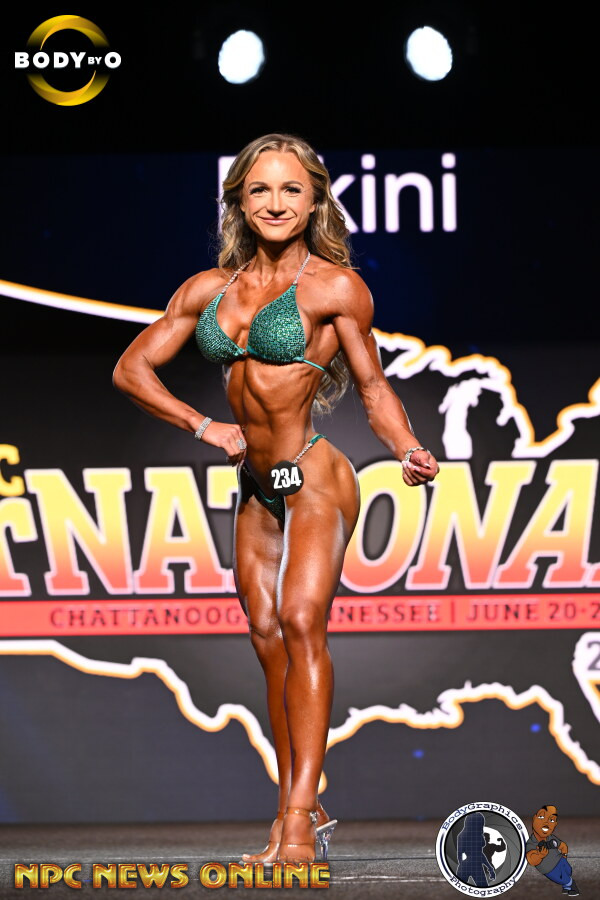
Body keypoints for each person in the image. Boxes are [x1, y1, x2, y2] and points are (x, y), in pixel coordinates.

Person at [112, 132, 440, 865]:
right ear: (238, 200)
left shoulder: (335, 288)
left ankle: (294, 824)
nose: (276, 203)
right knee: (266, 639)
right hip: (258, 489)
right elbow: (131, 370)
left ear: (315, 199)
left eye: (292, 189)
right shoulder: (208, 290)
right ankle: (302, 796)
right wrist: (203, 426)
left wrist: (406, 448)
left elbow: (373, 387)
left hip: (315, 475)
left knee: (299, 622)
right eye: (260, 189)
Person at [526, 805, 579, 896]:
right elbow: (531, 860)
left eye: (551, 820)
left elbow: (562, 845)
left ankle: (566, 887)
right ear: (534, 818)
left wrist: (564, 856)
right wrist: (540, 855)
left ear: (555, 824)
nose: (546, 822)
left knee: (568, 871)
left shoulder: (550, 838)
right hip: (548, 869)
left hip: (560, 860)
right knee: (561, 879)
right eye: (541, 816)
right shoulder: (532, 843)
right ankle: (571, 884)